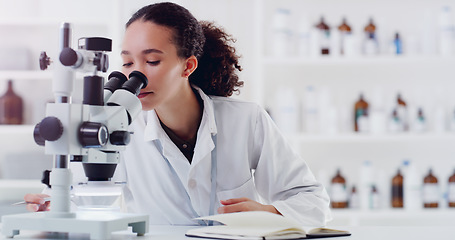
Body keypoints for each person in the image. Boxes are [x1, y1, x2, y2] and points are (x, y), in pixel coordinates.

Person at [24, 2, 331, 226]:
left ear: (188, 66)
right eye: (128, 63)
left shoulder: (246, 120)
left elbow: (312, 202)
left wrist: (269, 213)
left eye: (152, 61)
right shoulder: (117, 125)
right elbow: (75, 195)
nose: (136, 75)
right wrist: (50, 205)